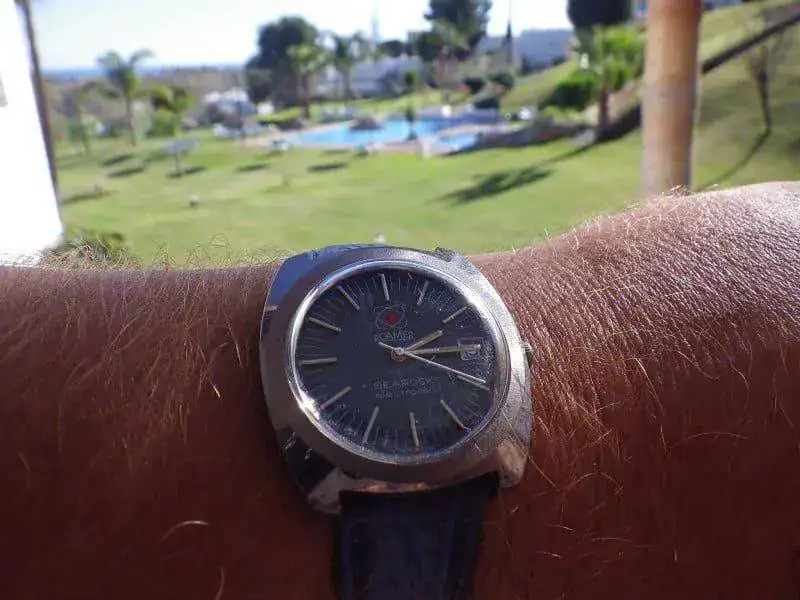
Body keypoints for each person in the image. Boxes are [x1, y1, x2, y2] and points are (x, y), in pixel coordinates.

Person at [0, 181, 798, 599]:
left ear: (515, 352)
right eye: (395, 347)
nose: (401, 350)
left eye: (414, 344)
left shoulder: (499, 430)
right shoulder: (314, 446)